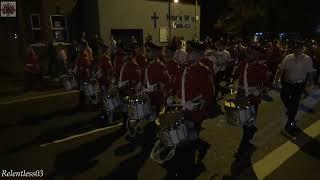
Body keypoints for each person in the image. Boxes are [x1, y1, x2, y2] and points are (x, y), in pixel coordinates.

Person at [233, 44, 269, 158]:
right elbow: (235, 75)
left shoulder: (262, 67)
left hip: (253, 99)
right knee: (244, 123)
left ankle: (242, 148)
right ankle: (251, 131)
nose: (249, 55)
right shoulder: (243, 64)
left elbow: (267, 83)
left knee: (248, 125)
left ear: (257, 55)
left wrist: (260, 89)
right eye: (248, 53)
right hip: (241, 98)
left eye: (252, 53)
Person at [274, 41, 314, 136]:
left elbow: (311, 72)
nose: (296, 50)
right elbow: (281, 69)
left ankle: (290, 122)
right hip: (288, 83)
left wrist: (310, 82)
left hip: (299, 85)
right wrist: (276, 80)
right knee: (283, 97)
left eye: (298, 48)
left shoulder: (307, 59)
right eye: (295, 48)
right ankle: (290, 110)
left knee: (295, 102)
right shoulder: (288, 57)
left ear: (302, 49)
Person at [145, 46, 171, 114]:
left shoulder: (160, 66)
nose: (147, 53)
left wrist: (160, 86)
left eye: (150, 51)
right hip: (149, 95)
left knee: (153, 117)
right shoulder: (148, 64)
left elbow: (167, 80)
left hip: (157, 97)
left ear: (155, 54)